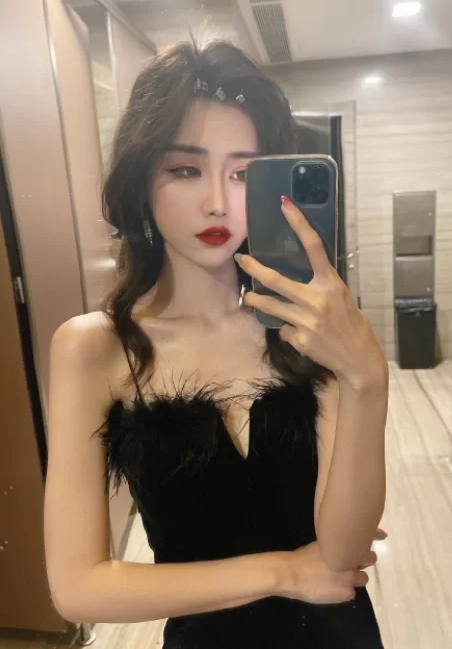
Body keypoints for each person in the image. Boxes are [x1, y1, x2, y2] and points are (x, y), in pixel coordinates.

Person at [44, 40, 389, 648]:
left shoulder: (308, 328)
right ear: (142, 181)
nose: (216, 202)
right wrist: (283, 572)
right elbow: (77, 587)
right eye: (185, 170)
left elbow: (343, 552)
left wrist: (368, 379)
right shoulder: (93, 349)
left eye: (242, 173)